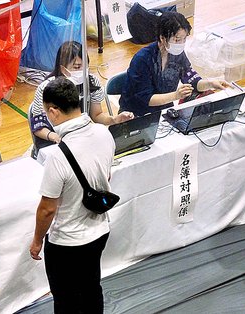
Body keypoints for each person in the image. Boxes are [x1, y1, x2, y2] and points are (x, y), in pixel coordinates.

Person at [29, 78, 115, 313]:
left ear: (53, 111)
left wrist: (37, 241)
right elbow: (106, 176)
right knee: (91, 288)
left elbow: (47, 208)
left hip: (68, 242)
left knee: (66, 300)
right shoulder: (104, 133)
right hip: (99, 231)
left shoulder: (58, 156)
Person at [29, 40, 134, 155]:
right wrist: (56, 137)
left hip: (81, 138)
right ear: (63, 69)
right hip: (54, 142)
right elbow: (38, 127)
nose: (82, 71)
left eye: (85, 66)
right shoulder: (46, 89)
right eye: (77, 67)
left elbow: (97, 115)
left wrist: (114, 120)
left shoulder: (92, 82)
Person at [119, 11, 230, 117]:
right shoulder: (142, 59)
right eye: (177, 40)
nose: (181, 44)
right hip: (136, 114)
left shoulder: (178, 55)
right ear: (162, 38)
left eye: (184, 39)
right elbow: (146, 98)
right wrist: (176, 96)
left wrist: (210, 83)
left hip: (165, 110)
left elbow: (193, 81)